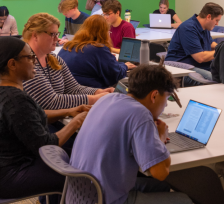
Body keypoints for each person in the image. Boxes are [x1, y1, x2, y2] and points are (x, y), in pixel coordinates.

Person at [0, 37, 88, 203]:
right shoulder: (15, 100)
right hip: (11, 177)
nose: (34, 62)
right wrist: (77, 122)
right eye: (30, 57)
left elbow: (31, 117)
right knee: (83, 179)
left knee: (69, 159)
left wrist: (69, 111)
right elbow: (47, 143)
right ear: (12, 64)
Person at [70, 65, 192, 204]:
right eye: (166, 99)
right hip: (104, 199)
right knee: (184, 200)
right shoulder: (141, 115)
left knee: (162, 188)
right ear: (154, 95)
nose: (164, 106)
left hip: (80, 193)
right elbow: (161, 173)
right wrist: (161, 137)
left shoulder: (107, 99)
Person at [22, 13, 113, 110]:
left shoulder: (54, 59)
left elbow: (73, 88)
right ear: (35, 35)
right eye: (52, 34)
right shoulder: (25, 63)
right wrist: (94, 99)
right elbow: (50, 102)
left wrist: (98, 92)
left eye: (57, 34)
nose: (57, 39)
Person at [58, 15, 133, 88]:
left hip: (66, 91)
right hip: (90, 93)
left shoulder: (68, 46)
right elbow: (115, 75)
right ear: (105, 32)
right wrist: (124, 66)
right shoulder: (98, 48)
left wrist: (109, 60)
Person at [166, 2, 223, 85]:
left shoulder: (205, 28)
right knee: (215, 80)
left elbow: (210, 43)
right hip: (181, 68)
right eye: (216, 20)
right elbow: (200, 57)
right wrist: (221, 50)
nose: (217, 24)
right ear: (208, 17)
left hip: (197, 65)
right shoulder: (188, 28)